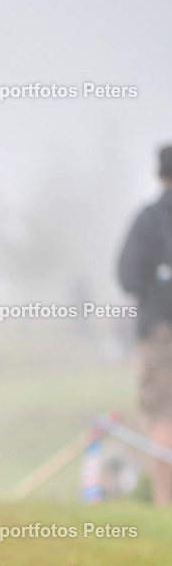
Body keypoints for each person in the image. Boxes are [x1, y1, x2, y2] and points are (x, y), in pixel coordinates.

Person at [118, 144, 172, 505]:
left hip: (161, 332)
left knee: (163, 416)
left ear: (159, 175)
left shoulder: (151, 218)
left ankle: (166, 504)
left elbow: (128, 277)